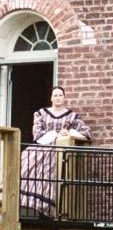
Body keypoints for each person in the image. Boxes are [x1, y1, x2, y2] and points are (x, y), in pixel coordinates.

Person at [20, 86, 90, 215]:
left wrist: (68, 132)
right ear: (51, 98)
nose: (58, 98)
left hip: (59, 148)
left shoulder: (72, 116)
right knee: (27, 165)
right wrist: (55, 134)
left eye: (60, 95)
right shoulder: (41, 113)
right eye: (55, 95)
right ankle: (25, 202)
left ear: (64, 98)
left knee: (52, 171)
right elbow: (37, 133)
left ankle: (43, 206)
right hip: (43, 146)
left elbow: (85, 133)